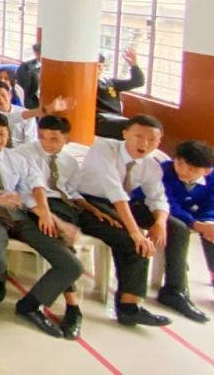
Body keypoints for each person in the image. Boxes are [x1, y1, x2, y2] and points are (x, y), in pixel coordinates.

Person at [0, 111, 83, 339]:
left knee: (71, 264)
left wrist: (49, 216)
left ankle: (31, 305)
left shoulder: (18, 159)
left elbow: (34, 187)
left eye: (2, 134)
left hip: (20, 215)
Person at [70, 114, 172, 327]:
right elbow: (114, 189)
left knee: (174, 227)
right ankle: (129, 307)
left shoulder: (151, 165)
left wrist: (160, 222)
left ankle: (175, 290)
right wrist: (135, 232)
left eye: (151, 140)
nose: (144, 144)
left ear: (159, 142)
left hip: (120, 204)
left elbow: (157, 197)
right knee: (133, 241)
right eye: (138, 136)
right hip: (87, 203)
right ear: (125, 133)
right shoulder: (104, 148)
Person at [14, 116, 86, 339]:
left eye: (54, 139)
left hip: (64, 208)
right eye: (42, 136)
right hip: (33, 209)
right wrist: (48, 216)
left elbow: (73, 193)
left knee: (67, 244)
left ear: (66, 139)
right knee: (70, 260)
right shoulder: (24, 153)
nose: (46, 143)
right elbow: (25, 192)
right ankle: (71, 307)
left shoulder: (70, 162)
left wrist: (93, 210)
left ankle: (53, 306)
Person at [157, 139, 213, 323]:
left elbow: (211, 205)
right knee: (179, 228)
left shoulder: (212, 179)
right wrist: (194, 223)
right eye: (180, 163)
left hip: (191, 215)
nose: (183, 171)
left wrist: (207, 222)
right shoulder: (163, 170)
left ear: (206, 171)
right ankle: (176, 290)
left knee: (212, 229)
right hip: (156, 210)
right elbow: (166, 201)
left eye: (192, 170)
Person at [95, 48, 145, 138]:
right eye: (95, 66)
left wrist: (134, 65)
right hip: (100, 119)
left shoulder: (111, 82)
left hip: (116, 118)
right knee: (127, 126)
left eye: (100, 65)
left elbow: (138, 82)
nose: (98, 68)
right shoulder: (86, 84)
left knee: (139, 124)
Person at [15, 43, 41, 110]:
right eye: (38, 53)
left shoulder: (56, 69)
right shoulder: (25, 67)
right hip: (32, 103)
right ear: (36, 53)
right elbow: (23, 90)